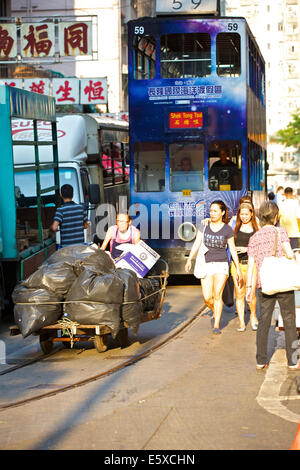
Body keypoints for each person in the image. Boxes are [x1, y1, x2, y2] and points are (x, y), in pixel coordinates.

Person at [246, 201, 299, 370]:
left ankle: (261, 361)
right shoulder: (280, 231)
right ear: (276, 217)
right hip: (283, 282)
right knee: (289, 320)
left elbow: (251, 266)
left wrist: (249, 288)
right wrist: (293, 256)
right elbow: (289, 253)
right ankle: (293, 361)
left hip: (265, 284)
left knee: (263, 323)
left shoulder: (254, 238)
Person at [185, 200, 242, 335]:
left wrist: (237, 268)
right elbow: (197, 244)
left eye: (216, 211)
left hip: (221, 264)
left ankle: (216, 324)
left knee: (217, 295)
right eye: (211, 211)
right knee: (207, 297)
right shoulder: (204, 225)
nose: (212, 213)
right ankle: (215, 310)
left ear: (222, 213)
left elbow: (232, 249)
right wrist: (189, 260)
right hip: (206, 263)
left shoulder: (227, 229)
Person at [231, 202, 259, 332]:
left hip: (252, 266)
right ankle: (242, 322)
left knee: (251, 294)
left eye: (246, 214)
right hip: (237, 265)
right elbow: (230, 245)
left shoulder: (256, 227)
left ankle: (253, 316)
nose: (244, 217)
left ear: (251, 214)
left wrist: (247, 249)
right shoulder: (235, 227)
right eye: (241, 214)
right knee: (239, 294)